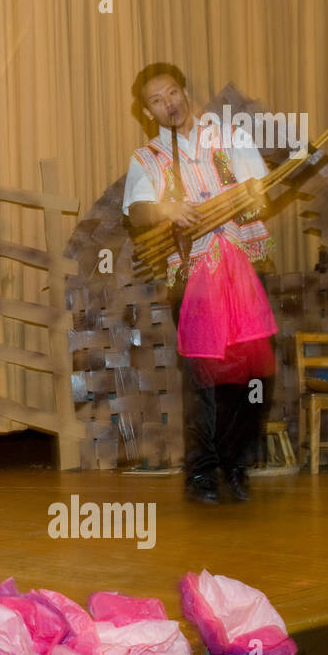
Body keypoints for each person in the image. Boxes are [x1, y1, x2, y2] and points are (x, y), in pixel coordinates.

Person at [123, 63, 276, 503]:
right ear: (147, 111)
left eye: (173, 92)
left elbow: (259, 191)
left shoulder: (229, 136)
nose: (169, 103)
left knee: (253, 376)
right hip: (192, 277)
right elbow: (137, 211)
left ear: (185, 92)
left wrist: (247, 200)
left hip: (247, 267)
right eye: (157, 99)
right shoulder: (148, 158)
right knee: (205, 377)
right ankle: (202, 472)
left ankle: (237, 464)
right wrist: (168, 210)